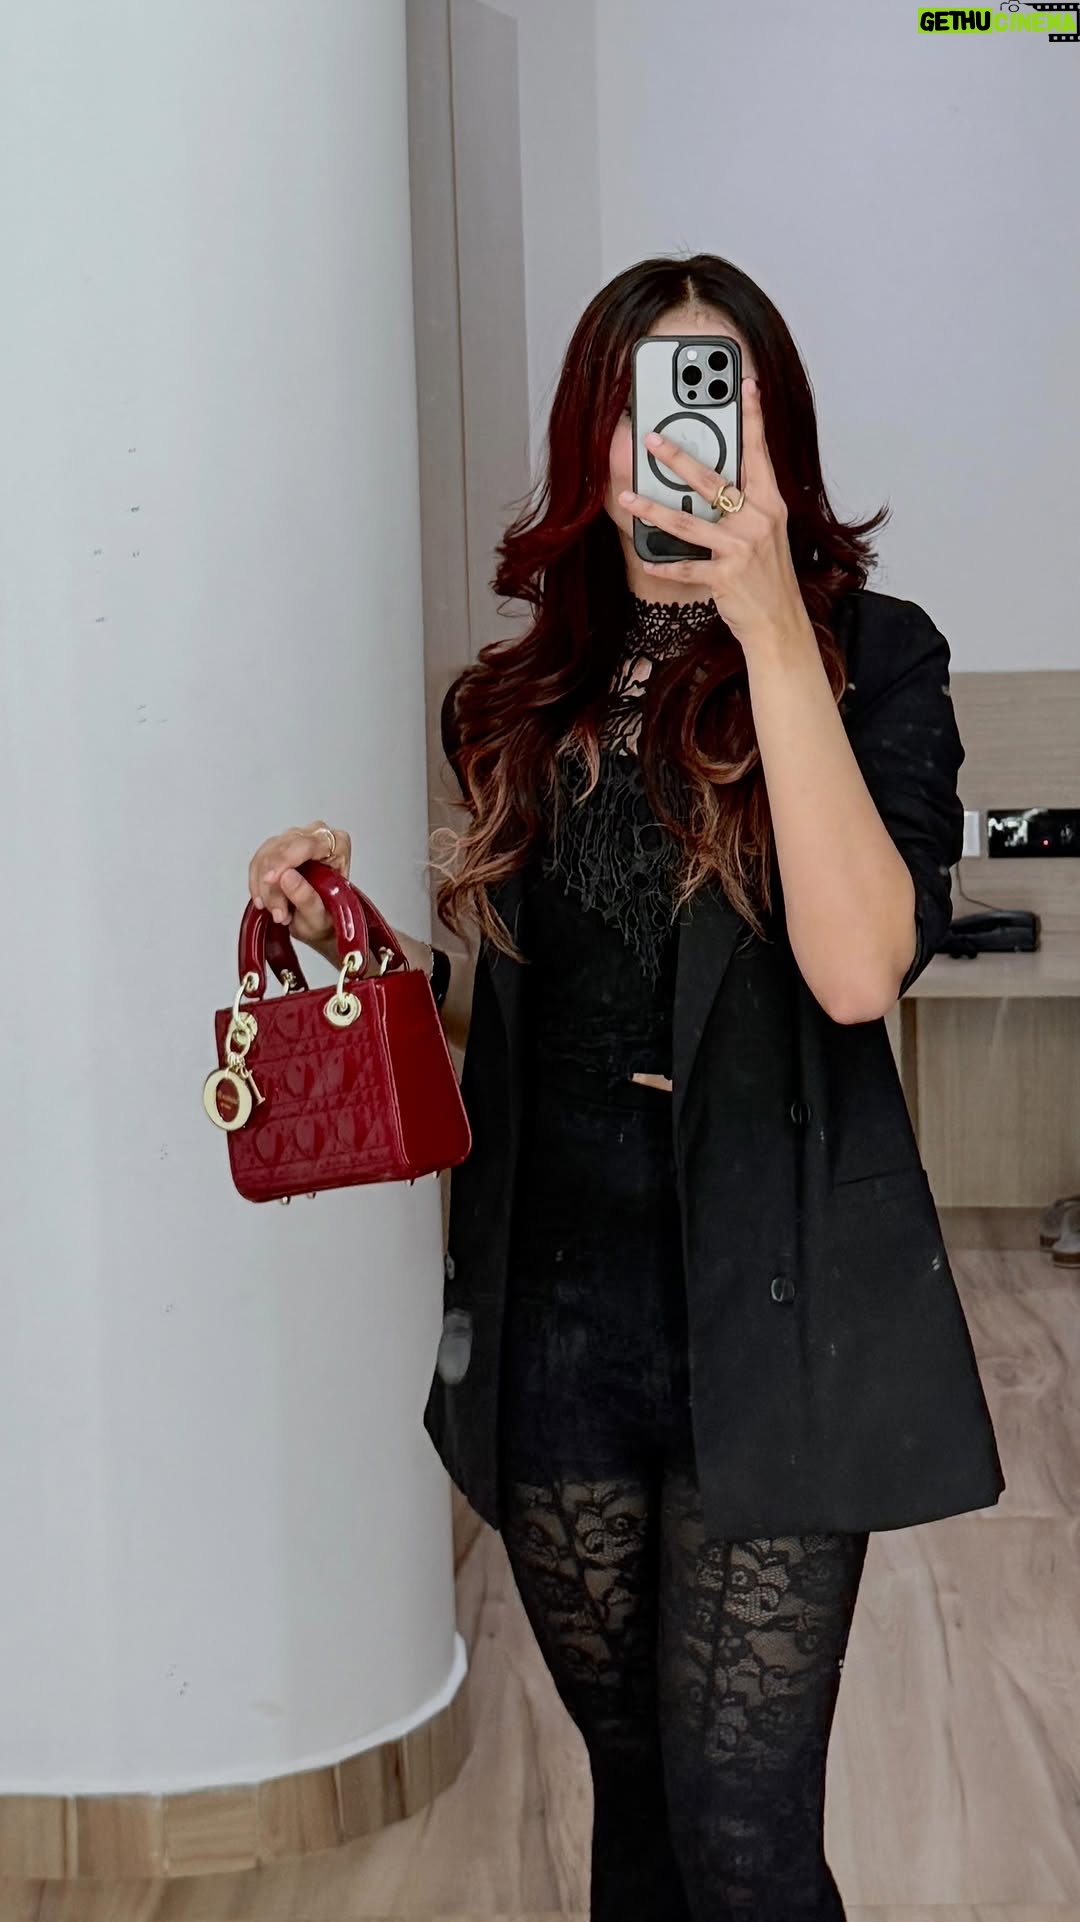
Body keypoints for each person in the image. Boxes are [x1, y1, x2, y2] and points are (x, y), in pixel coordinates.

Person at [247, 253, 1004, 1921]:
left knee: (746, 1843)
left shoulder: (876, 658)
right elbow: (515, 1005)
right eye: (643, 398)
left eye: (717, 392)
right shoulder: (517, 698)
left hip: (773, 1313)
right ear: (591, 438)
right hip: (559, 1326)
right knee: (642, 1807)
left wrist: (771, 628)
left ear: (773, 433)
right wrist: (341, 936)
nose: (679, 434)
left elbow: (859, 966)